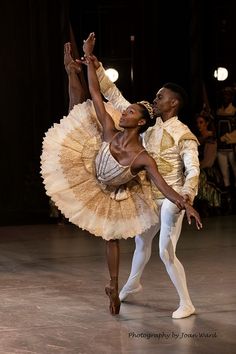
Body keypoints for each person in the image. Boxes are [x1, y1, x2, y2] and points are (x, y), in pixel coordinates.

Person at [41, 33, 202, 317]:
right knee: (141, 244)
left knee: (165, 249)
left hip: (170, 199)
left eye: (161, 97)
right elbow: (112, 96)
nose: (156, 98)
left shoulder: (183, 135)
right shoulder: (148, 128)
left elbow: (192, 170)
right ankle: (131, 284)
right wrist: (94, 62)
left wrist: (187, 198)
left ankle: (186, 302)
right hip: (146, 196)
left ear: (173, 103)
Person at [194, 112, 222, 215]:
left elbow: (209, 160)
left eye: (201, 122)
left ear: (207, 123)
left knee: (199, 178)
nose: (199, 125)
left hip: (207, 169)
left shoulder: (211, 138)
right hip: (200, 167)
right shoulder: (199, 138)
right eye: (197, 123)